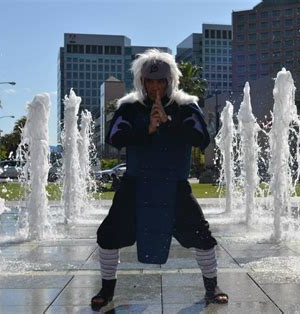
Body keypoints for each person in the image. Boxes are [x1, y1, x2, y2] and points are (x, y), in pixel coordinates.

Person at [91, 49, 228, 310]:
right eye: (149, 81)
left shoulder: (186, 105)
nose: (155, 87)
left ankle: (212, 286)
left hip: (173, 184)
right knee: (108, 234)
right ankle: (107, 290)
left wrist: (169, 123)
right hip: (135, 183)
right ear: (141, 82)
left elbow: (201, 137)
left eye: (160, 81)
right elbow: (114, 137)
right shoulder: (129, 107)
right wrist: (147, 129)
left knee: (202, 235)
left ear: (170, 81)